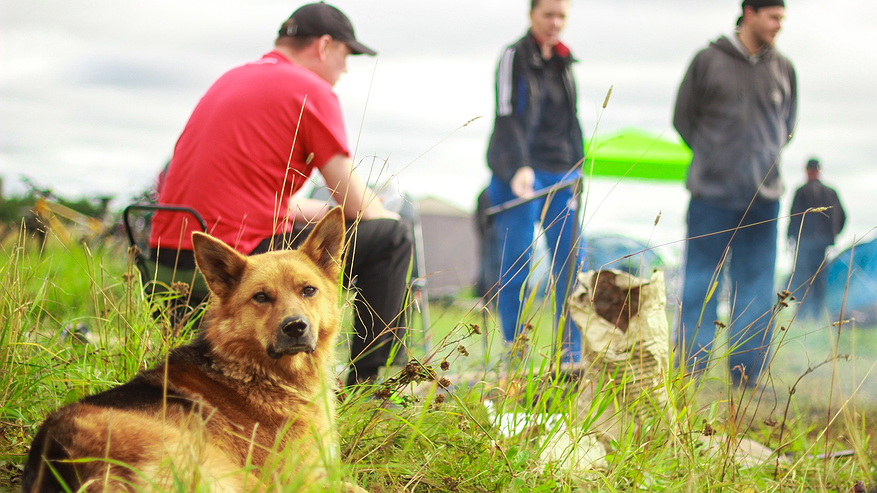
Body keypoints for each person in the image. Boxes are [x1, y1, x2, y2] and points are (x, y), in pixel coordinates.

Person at [148, 3, 413, 387]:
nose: (346, 68)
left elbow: (246, 191)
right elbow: (357, 204)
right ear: (324, 46)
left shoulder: (233, 78)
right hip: (241, 261)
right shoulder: (312, 90)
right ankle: (374, 386)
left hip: (165, 260)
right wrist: (385, 215)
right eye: (346, 54)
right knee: (392, 238)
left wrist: (321, 210)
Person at [673, 0, 797, 386]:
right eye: (773, 17)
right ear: (750, 13)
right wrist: (714, 159)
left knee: (758, 291)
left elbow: (788, 125)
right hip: (711, 197)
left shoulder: (784, 68)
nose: (780, 24)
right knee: (700, 285)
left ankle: (746, 376)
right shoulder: (707, 61)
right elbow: (683, 118)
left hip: (764, 201)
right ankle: (689, 371)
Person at [485, 0, 587, 366]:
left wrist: (580, 167)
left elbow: (572, 118)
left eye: (562, 16)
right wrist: (518, 166)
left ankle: (571, 353)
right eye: (548, 15)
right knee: (517, 262)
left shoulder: (565, 61)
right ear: (532, 15)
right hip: (518, 173)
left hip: (562, 172)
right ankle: (514, 350)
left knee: (573, 265)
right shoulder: (514, 56)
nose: (555, 23)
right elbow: (507, 113)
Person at [787, 158, 846, 320]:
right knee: (812, 281)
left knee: (810, 280)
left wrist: (791, 238)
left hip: (812, 245)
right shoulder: (829, 192)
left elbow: (794, 218)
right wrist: (832, 235)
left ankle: (810, 316)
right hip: (814, 245)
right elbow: (842, 218)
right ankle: (809, 316)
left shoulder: (804, 191)